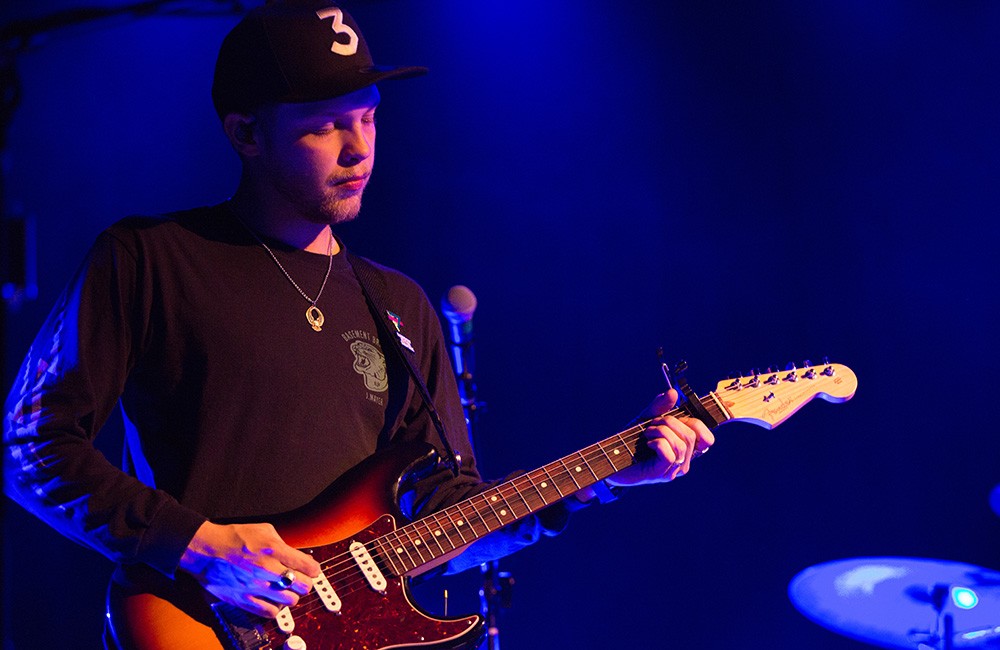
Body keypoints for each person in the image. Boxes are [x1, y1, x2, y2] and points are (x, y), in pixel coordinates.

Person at [3, 0, 714, 644]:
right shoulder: (151, 259)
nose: (360, 148)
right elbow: (31, 448)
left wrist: (609, 476)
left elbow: (449, 519)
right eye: (327, 125)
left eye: (369, 116)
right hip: (195, 623)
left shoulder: (400, 306)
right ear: (246, 132)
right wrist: (199, 547)